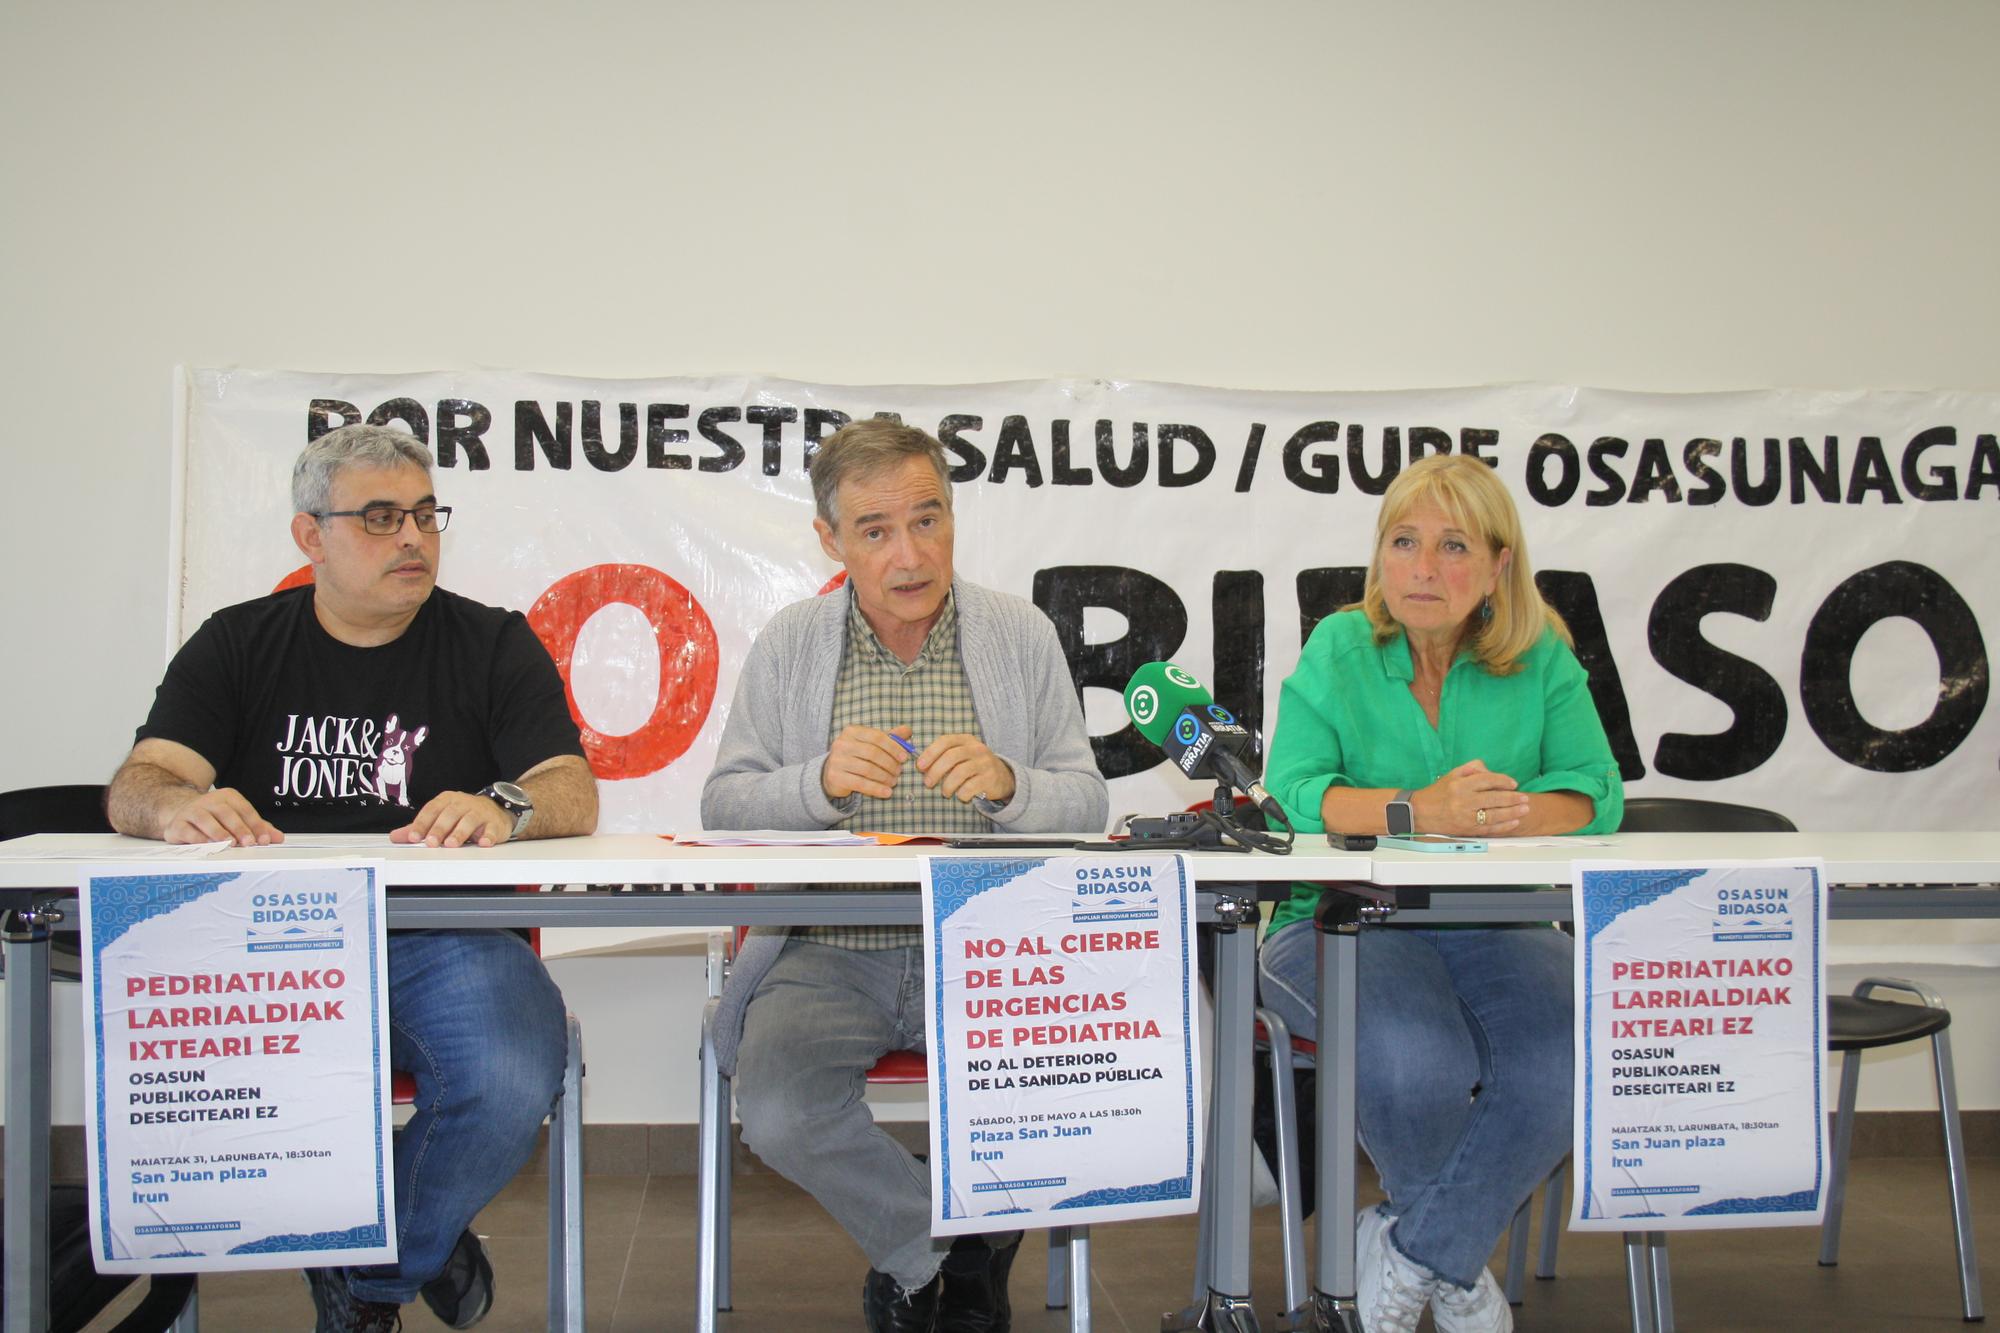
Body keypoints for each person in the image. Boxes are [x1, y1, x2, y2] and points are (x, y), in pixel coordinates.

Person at [106, 423, 599, 1333]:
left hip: (439, 936)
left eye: (424, 514)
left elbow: (569, 786)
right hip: (266, 943)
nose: (412, 536)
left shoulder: (491, 641)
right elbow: (141, 780)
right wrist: (174, 807)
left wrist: (504, 805)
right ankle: (425, 1228)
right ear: (311, 536)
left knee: (510, 1069)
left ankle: (373, 1273)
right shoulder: (238, 641)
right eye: (379, 517)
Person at [702, 419, 1108, 1333]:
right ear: (830, 540)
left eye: (928, 520)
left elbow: (1087, 802)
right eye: (876, 530)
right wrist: (815, 784)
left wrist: (1009, 785)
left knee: (1065, 1089)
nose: (911, 554)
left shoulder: (1019, 633)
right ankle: (946, 1248)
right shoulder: (793, 641)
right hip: (829, 945)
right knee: (778, 1108)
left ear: (954, 518)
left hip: (988, 946)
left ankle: (935, 1253)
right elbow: (723, 804)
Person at [1257, 454, 1622, 1333]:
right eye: (1404, 541)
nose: (1423, 567)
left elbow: (1597, 794)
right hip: (1341, 921)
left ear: (1499, 565)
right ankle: (1455, 1269)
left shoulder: (1540, 654)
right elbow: (1292, 796)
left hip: (1497, 919)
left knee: (1577, 1048)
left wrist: (1505, 815)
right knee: (1419, 1057)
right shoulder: (1341, 645)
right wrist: (1417, 811)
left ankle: (1416, 1251)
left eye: (1453, 545)